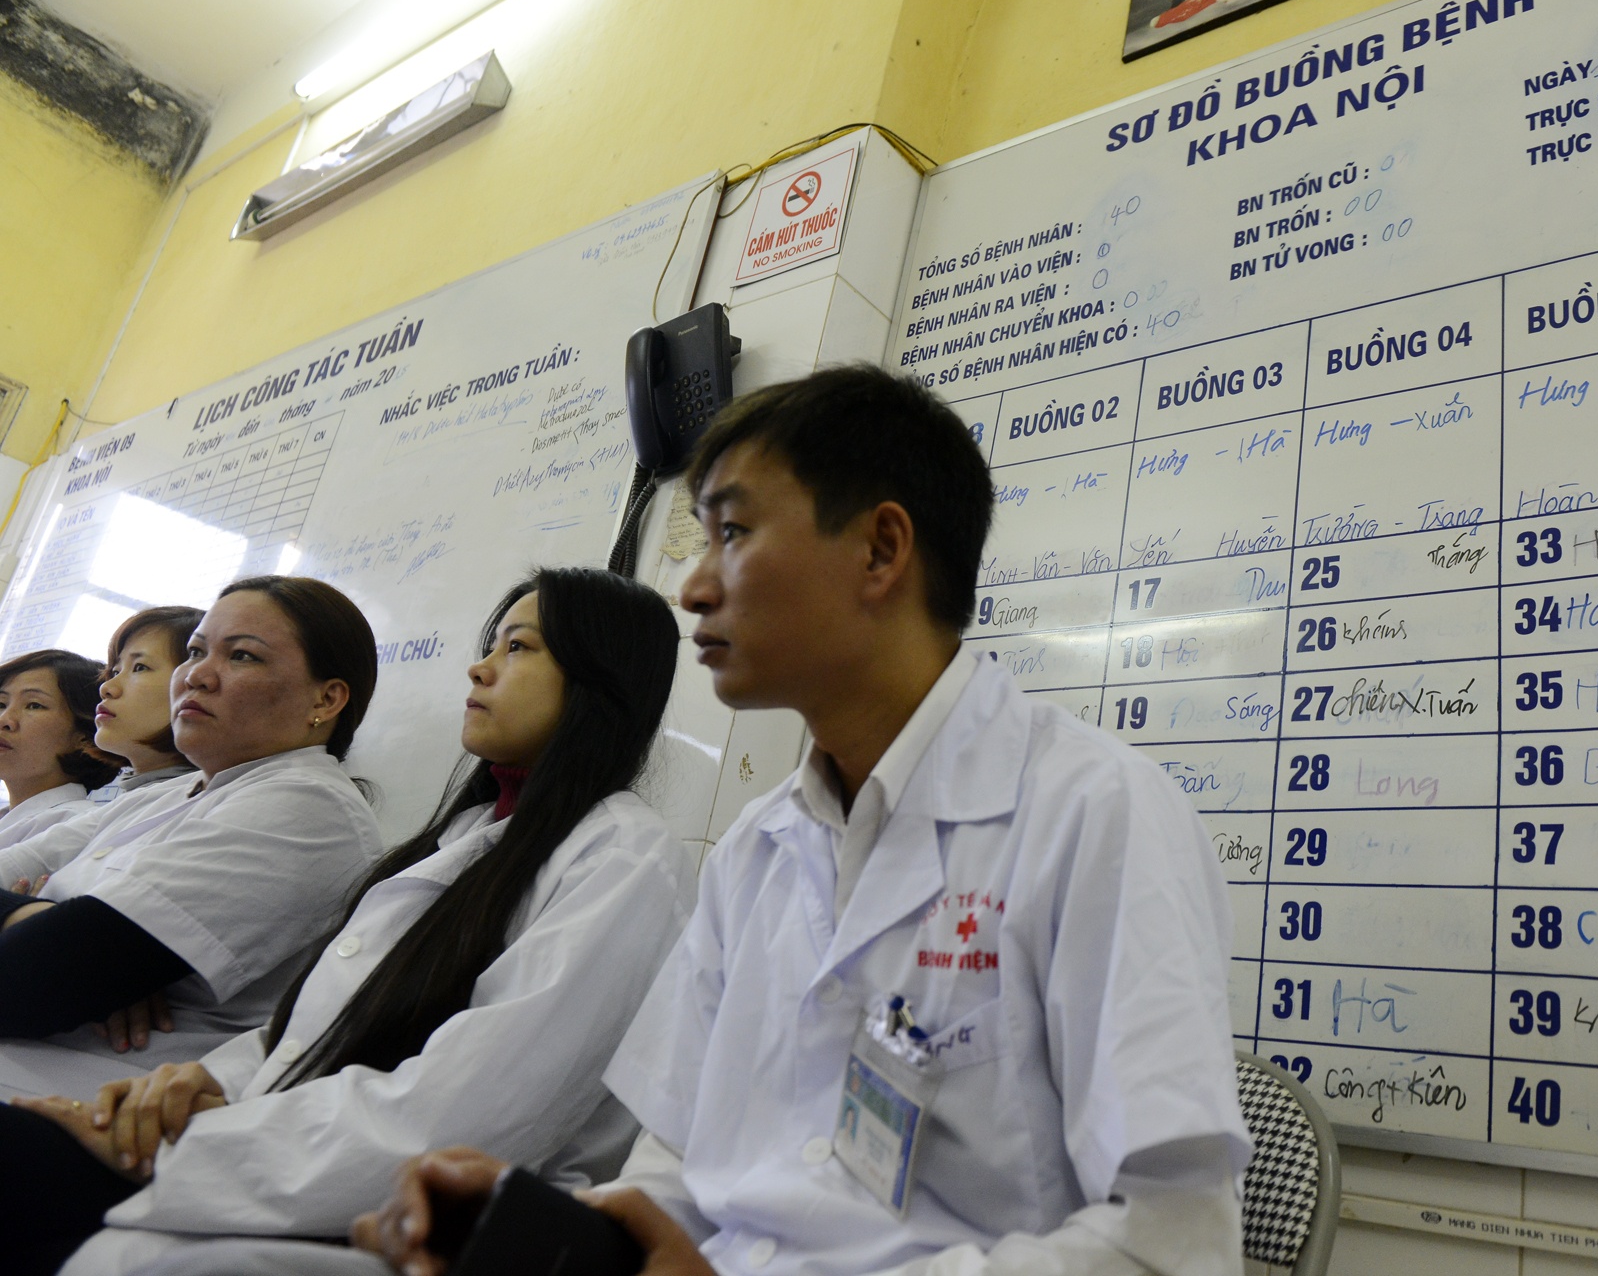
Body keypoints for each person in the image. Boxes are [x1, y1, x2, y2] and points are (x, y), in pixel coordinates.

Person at [356, 365, 1252, 1276]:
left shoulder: (1093, 814)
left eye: (733, 533)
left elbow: (1171, 1244)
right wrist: (552, 1234)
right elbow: (678, 1173)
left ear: (879, 550)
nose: (692, 590)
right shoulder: (756, 851)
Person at [4, 567, 696, 1276]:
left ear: (601, 677)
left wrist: (185, 1147)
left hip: (397, 1208)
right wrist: (205, 1081)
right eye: (491, 644)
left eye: (517, 648)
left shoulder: (621, 857)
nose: (480, 668)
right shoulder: (464, 837)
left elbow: (474, 1107)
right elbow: (320, 1025)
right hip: (273, 1152)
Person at [0, 576, 384, 1095]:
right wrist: (45, 922)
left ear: (327, 698)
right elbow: (59, 956)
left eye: (242, 656)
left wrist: (62, 939)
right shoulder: (166, 795)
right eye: (196, 652)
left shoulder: (309, 806)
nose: (197, 675)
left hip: (109, 1095)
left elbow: (33, 981)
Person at [1, 607, 205, 897]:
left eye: (140, 667)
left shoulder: (73, 817)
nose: (107, 687)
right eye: (115, 671)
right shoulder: (126, 806)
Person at [0, 649, 122, 850]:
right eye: (1, 704)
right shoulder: (12, 818)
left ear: (85, 737)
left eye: (34, 705)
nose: (5, 720)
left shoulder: (76, 828)